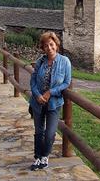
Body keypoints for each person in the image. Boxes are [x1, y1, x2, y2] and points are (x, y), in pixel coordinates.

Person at [29, 31, 72, 171]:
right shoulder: (40, 61)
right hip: (38, 102)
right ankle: (37, 157)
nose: (49, 48)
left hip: (54, 103)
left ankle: (45, 156)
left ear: (56, 45)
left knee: (50, 133)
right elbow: (33, 80)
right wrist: (37, 95)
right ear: (43, 48)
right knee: (38, 131)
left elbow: (66, 82)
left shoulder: (65, 62)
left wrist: (50, 92)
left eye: (51, 44)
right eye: (46, 45)